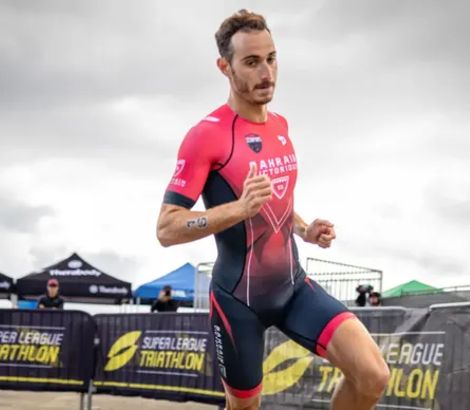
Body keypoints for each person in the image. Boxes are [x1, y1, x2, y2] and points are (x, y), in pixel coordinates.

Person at [155, 10, 389, 410]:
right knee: (245, 407)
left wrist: (303, 229)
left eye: (271, 58)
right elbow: (167, 228)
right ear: (225, 67)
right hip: (238, 300)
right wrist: (238, 209)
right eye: (251, 62)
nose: (266, 73)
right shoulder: (206, 136)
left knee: (372, 374)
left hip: (293, 288)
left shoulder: (280, 125)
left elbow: (274, 200)